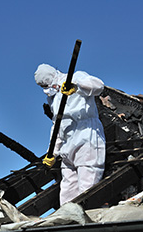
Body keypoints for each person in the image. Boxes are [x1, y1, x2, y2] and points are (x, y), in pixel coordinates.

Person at [34, 63, 106, 206]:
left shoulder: (76, 77)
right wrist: (52, 153)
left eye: (46, 85)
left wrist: (77, 86)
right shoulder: (53, 99)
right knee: (67, 192)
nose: (46, 90)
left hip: (86, 137)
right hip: (67, 145)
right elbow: (57, 126)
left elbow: (99, 86)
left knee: (87, 189)